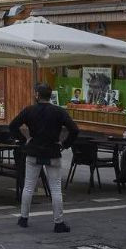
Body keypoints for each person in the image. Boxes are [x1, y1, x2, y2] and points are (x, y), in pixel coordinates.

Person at [10, 83, 79, 233]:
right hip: (53, 151)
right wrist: (64, 144)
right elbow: (74, 129)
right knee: (55, 189)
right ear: (50, 95)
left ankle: (23, 218)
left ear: (37, 95)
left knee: (28, 186)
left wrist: (24, 140)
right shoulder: (59, 112)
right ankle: (58, 222)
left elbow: (13, 125)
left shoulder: (30, 110)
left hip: (34, 151)